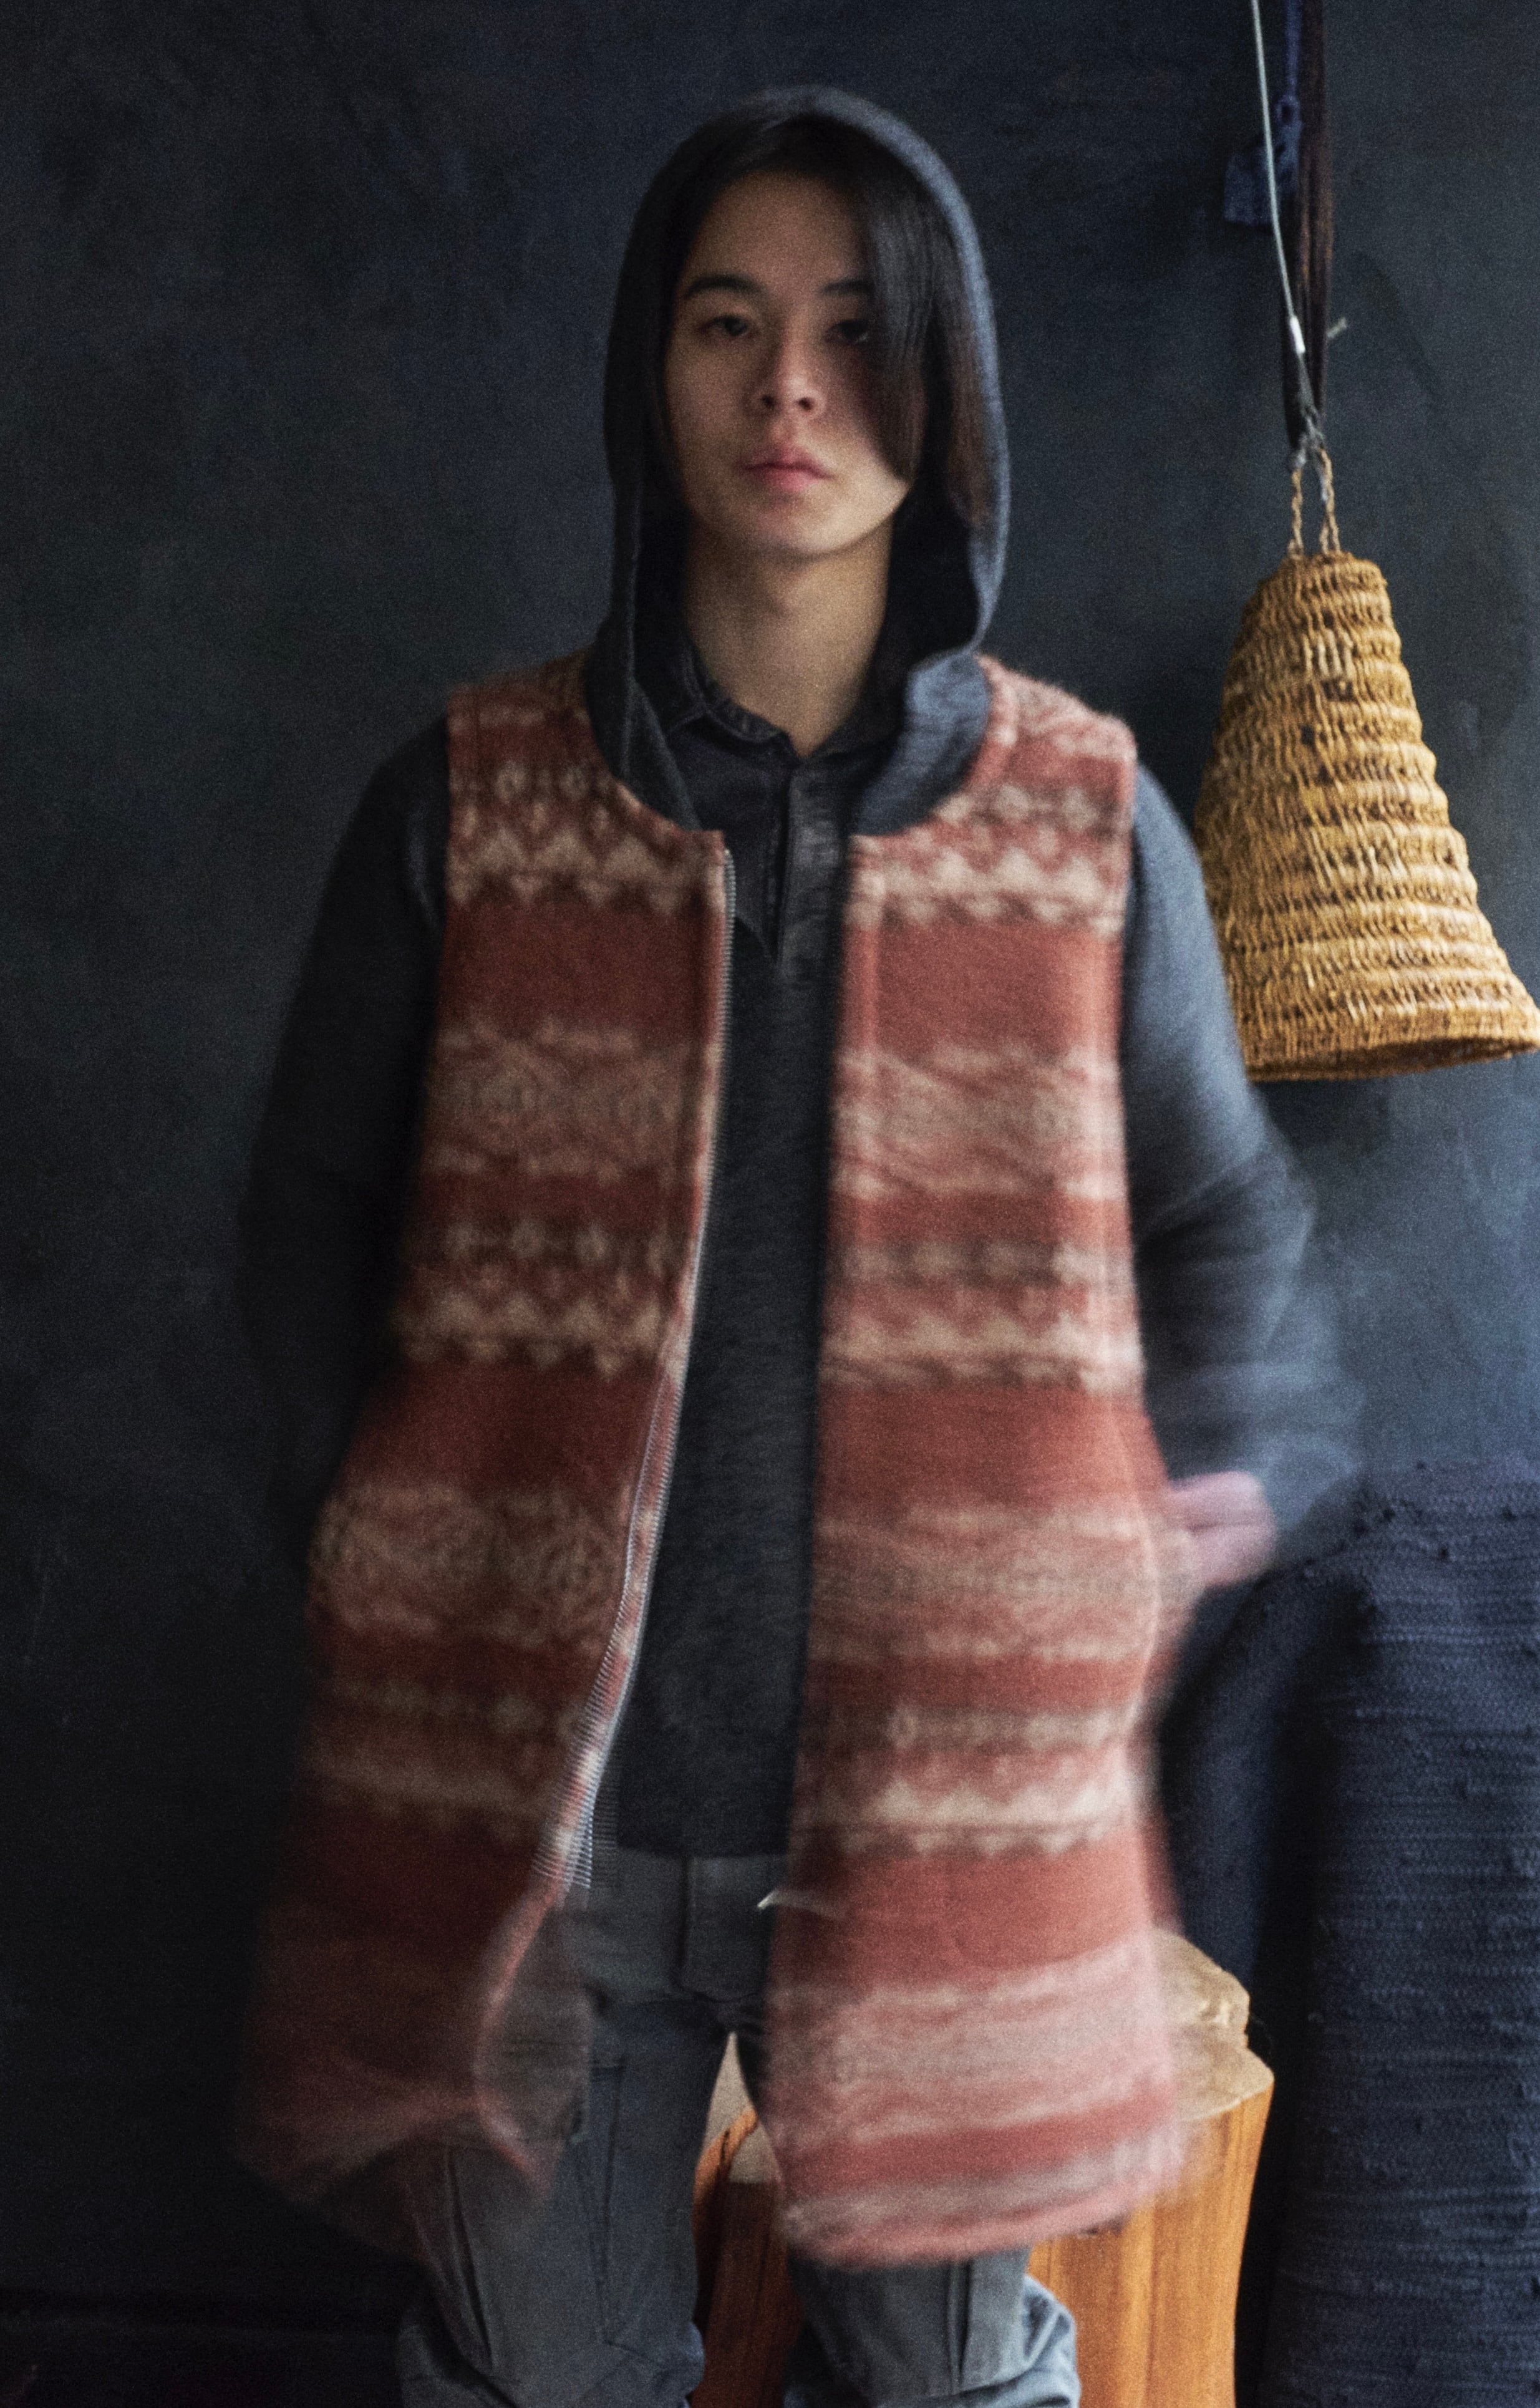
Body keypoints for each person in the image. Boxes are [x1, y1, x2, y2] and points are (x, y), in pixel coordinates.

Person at [236, 89, 1343, 2408]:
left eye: (854, 331)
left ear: (945, 386)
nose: (792, 392)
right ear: (651, 373)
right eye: (728, 324)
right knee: (537, 2381)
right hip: (546, 1831)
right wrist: (362, 1532)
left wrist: (1179, 1518)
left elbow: (1227, 1225)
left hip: (947, 1825)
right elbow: (310, 1216)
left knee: (946, 2384)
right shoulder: (470, 803)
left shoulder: (1084, 826)